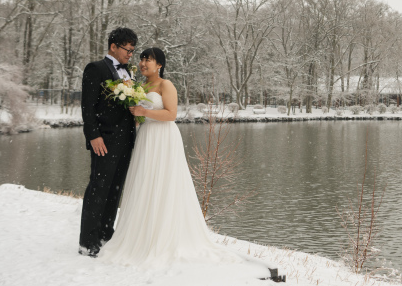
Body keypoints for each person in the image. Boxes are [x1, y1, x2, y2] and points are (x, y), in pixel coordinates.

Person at [99, 47, 266, 273]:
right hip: (146, 138)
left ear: (160, 65)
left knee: (165, 183)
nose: (143, 62)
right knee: (145, 183)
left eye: (148, 59)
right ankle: (144, 233)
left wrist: (143, 112)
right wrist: (133, 117)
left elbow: (171, 114)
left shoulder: (165, 85)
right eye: (141, 59)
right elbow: (139, 116)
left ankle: (166, 235)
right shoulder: (139, 87)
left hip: (164, 137)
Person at [78, 27, 139, 257]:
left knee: (115, 190)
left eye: (132, 51)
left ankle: (106, 234)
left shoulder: (128, 73)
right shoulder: (96, 69)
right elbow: (87, 107)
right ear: (113, 46)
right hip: (103, 141)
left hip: (126, 142)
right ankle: (87, 242)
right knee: (98, 188)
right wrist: (93, 136)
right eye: (127, 50)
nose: (130, 55)